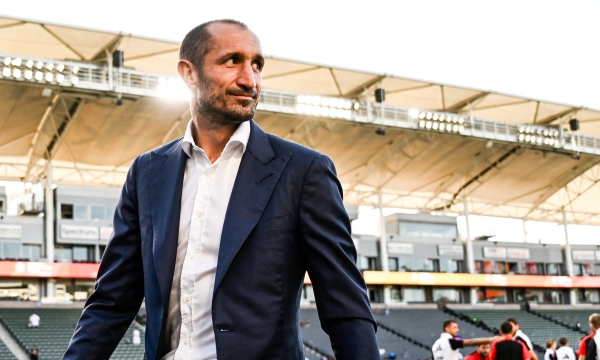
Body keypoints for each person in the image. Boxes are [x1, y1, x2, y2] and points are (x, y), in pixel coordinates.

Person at [63, 19, 378, 360]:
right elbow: (112, 299)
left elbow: (345, 305)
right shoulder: (147, 171)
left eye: (257, 65)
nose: (250, 80)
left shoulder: (303, 171)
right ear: (189, 73)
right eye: (232, 61)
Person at [432, 320, 501, 360]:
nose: (457, 330)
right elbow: (470, 342)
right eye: (454, 328)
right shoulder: (450, 341)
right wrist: (491, 339)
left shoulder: (436, 344)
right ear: (447, 329)